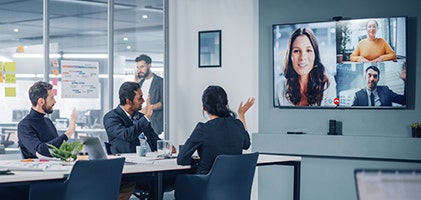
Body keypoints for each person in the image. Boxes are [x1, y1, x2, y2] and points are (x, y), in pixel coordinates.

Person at [177, 85, 254, 174]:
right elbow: (246, 144)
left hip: (205, 184)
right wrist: (241, 115)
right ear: (227, 104)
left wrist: (196, 161)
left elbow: (181, 159)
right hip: (233, 185)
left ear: (204, 107)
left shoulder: (203, 129)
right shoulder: (237, 125)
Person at [277, 27, 336, 106]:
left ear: (315, 54)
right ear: (290, 56)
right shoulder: (279, 88)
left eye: (308, 50)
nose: (302, 57)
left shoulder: (327, 83)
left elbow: (330, 116)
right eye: (296, 51)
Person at [18, 81, 77, 159]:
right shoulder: (24, 126)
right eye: (51, 98)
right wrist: (69, 132)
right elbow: (41, 151)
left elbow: (58, 150)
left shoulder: (48, 122)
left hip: (55, 167)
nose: (54, 101)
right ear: (41, 101)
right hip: (38, 170)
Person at [103, 81, 160, 154]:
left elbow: (153, 138)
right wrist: (147, 116)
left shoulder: (140, 117)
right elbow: (127, 135)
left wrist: (166, 146)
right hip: (128, 161)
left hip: (151, 159)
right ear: (128, 101)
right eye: (140, 98)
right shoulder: (111, 118)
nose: (143, 101)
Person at [134, 54, 164, 136]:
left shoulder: (160, 82)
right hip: (140, 122)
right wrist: (135, 84)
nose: (139, 70)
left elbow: (164, 102)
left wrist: (148, 108)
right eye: (138, 67)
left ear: (149, 65)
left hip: (155, 123)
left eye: (142, 67)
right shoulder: (140, 83)